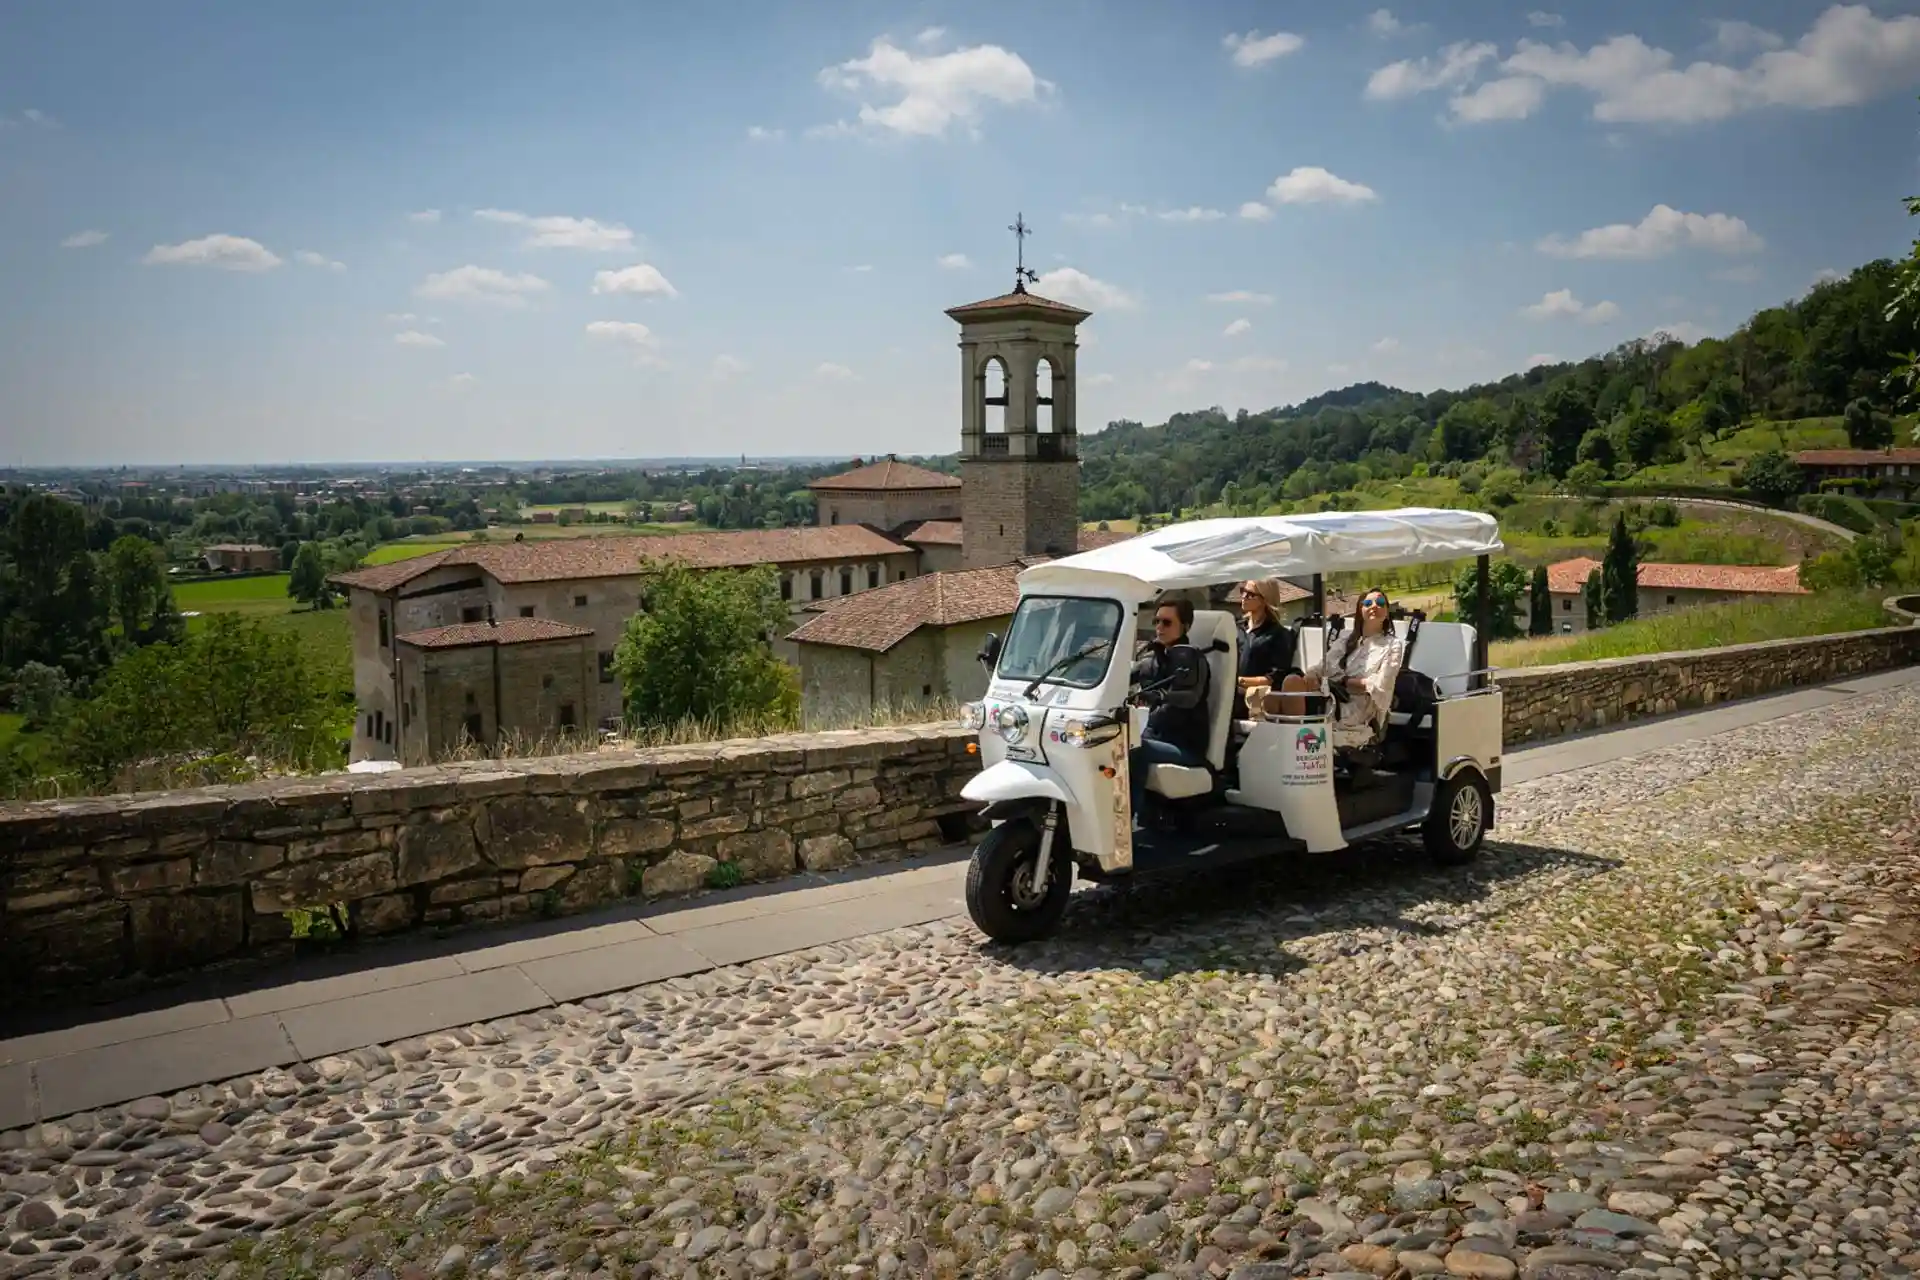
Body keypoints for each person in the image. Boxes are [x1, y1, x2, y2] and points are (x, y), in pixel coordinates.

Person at [1276, 587, 1404, 753]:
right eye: (1368, 603)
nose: (1374, 606)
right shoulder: (1345, 639)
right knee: (1291, 682)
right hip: (1328, 697)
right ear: (1360, 610)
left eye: (1380, 603)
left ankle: (1295, 748)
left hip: (1356, 708)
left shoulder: (1392, 645)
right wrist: (1311, 677)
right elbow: (1323, 667)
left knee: (1292, 692)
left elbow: (1380, 686)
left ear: (1387, 611)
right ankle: (1289, 745)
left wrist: (1344, 682)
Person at [1128, 598, 1211, 818]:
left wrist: (1159, 695)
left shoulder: (1193, 660)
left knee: (1135, 749)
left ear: (1185, 626)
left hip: (1184, 746)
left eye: (1167, 622)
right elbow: (1122, 678)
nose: (1159, 627)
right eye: (1156, 621)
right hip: (1155, 738)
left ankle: (1122, 828)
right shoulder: (1153, 658)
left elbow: (1190, 697)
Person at [1234, 579, 1296, 715]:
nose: (1243, 597)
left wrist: (1239, 681)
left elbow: (1274, 677)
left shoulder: (1278, 634)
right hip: (1231, 690)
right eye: (1242, 591)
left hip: (1252, 696)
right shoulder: (1235, 628)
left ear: (1264, 600)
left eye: (1250, 594)